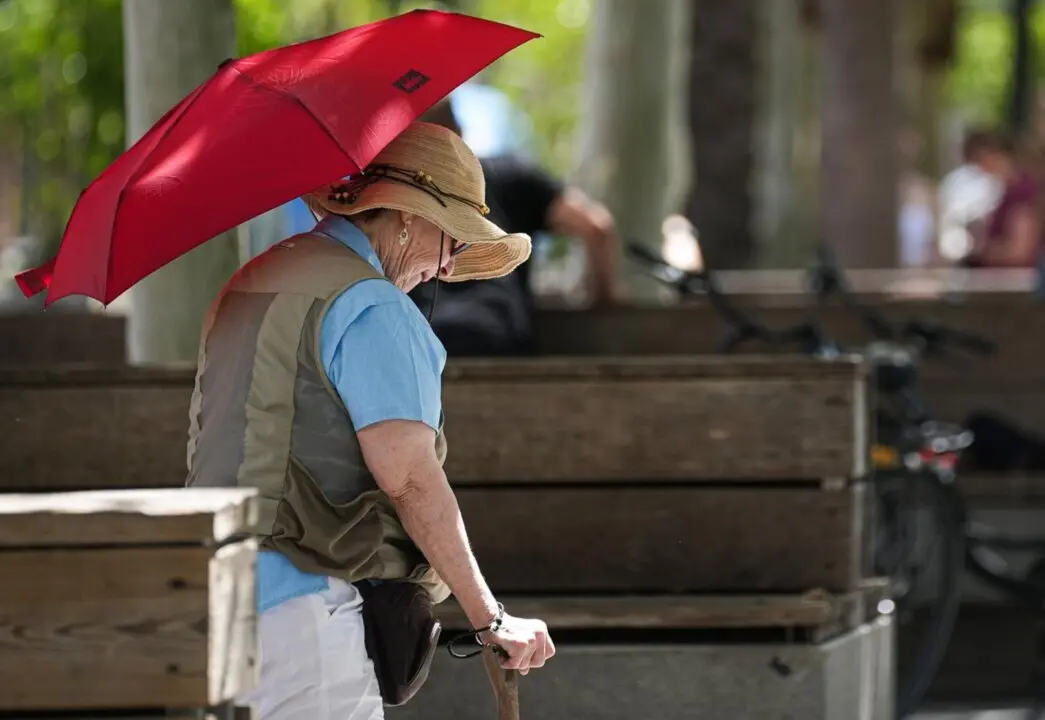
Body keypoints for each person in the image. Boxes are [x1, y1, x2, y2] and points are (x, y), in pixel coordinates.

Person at [186, 122, 555, 720]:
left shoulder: (250, 284)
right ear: (409, 216)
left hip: (210, 595)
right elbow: (409, 479)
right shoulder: (372, 304)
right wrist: (491, 617)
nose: (445, 267)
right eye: (452, 241)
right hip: (306, 615)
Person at [409, 98, 619, 356]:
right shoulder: (507, 174)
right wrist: (604, 299)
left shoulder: (394, 197)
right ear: (459, 133)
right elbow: (597, 227)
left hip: (425, 344)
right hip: (501, 340)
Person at [960, 128, 1041, 268]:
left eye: (979, 161)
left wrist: (984, 251)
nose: (981, 170)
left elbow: (1020, 252)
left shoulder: (1022, 193)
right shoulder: (1009, 193)